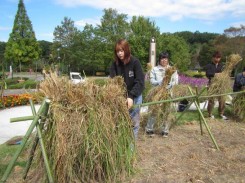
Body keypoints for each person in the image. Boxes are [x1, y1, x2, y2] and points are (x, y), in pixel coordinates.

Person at [110, 39, 145, 139]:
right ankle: (123, 144)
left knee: (133, 123)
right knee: (121, 123)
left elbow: (140, 82)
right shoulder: (114, 65)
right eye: (117, 51)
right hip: (121, 97)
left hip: (135, 96)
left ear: (126, 50)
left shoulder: (135, 62)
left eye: (122, 50)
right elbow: (113, 82)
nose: (120, 53)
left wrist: (131, 96)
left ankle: (131, 149)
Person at [145, 52, 178, 137]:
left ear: (168, 60)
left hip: (168, 93)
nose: (164, 60)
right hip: (156, 93)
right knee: (154, 110)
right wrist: (161, 82)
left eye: (166, 58)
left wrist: (170, 85)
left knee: (166, 111)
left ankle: (165, 130)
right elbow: (152, 81)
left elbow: (175, 81)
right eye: (162, 58)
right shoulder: (154, 69)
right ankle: (149, 129)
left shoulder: (172, 69)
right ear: (159, 60)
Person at [205, 51, 228, 120]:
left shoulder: (222, 66)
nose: (217, 59)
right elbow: (208, 74)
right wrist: (216, 74)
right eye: (216, 57)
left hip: (220, 85)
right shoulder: (209, 65)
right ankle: (210, 114)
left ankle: (221, 113)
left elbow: (225, 73)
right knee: (211, 100)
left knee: (222, 99)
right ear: (213, 58)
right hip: (212, 84)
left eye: (219, 58)